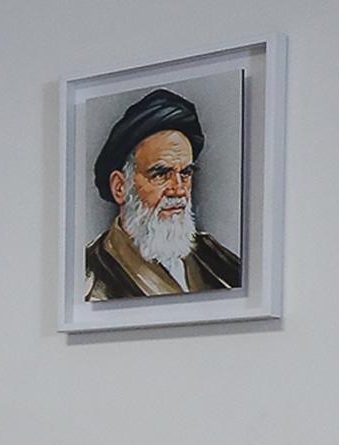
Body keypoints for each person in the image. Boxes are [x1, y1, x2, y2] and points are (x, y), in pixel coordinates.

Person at [85, 88, 240, 301]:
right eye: (160, 174)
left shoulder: (213, 255)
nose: (179, 189)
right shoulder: (89, 280)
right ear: (120, 187)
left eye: (185, 173)